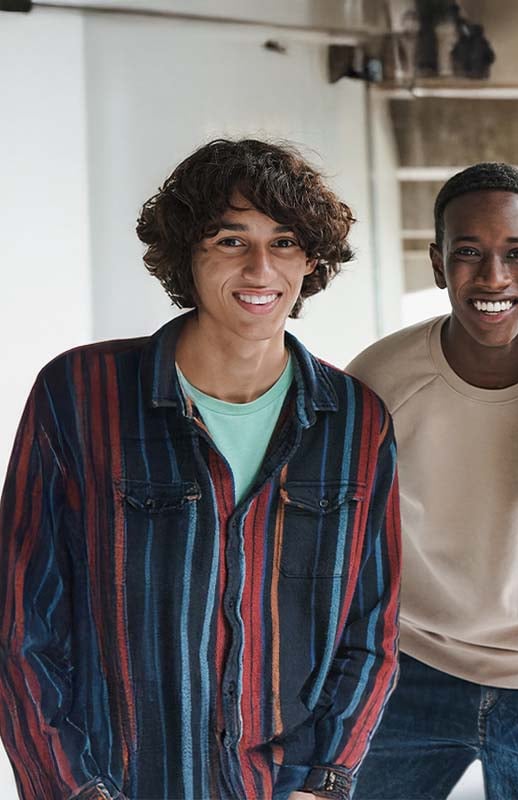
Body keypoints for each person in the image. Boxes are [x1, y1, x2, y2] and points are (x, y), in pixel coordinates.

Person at [0, 139, 402, 800]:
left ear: (312, 261)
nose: (261, 269)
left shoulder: (356, 421)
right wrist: (73, 788)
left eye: (286, 243)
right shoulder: (79, 394)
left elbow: (372, 630)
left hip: (283, 787)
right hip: (120, 783)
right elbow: (23, 629)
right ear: (187, 252)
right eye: (230, 241)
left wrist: (327, 783)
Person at [348, 162, 518, 799]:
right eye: (468, 253)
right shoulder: (380, 380)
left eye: (517, 254)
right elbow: (341, 537)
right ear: (438, 264)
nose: (493, 277)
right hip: (410, 669)